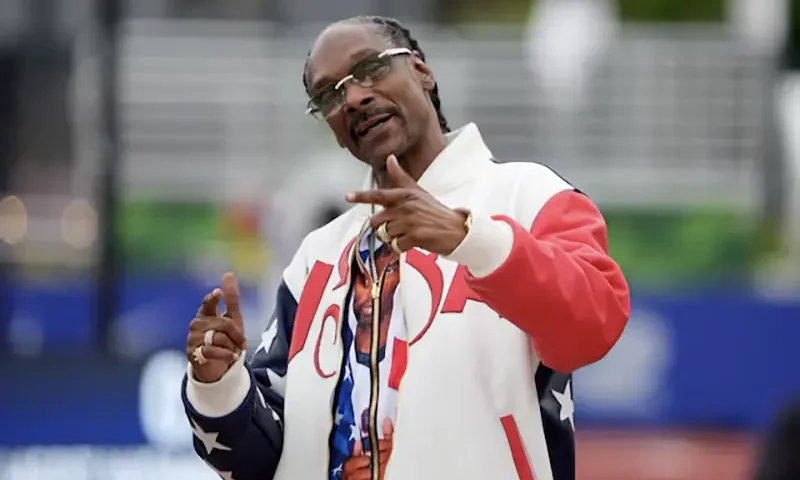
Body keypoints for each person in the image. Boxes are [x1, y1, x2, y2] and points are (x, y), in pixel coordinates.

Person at [181, 15, 631, 480]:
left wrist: (470, 240)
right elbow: (264, 459)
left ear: (422, 70)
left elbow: (594, 324)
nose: (354, 97)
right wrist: (219, 385)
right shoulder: (316, 257)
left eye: (371, 68)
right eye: (330, 95)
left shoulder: (526, 196)